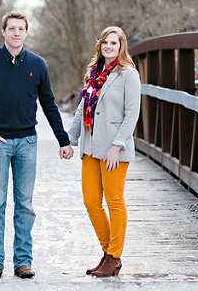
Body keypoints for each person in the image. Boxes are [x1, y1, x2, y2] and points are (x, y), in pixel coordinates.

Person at [0, 11, 74, 280]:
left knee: (25, 205)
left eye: (21, 29)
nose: (16, 33)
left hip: (27, 142)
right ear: (3, 31)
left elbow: (49, 104)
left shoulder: (37, 64)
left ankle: (23, 262)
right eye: (11, 28)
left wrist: (63, 140)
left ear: (26, 32)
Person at [68, 26, 141, 278]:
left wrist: (117, 146)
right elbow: (82, 109)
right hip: (90, 147)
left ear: (121, 47)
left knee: (114, 201)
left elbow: (132, 114)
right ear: (99, 45)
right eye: (105, 43)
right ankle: (109, 253)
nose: (109, 47)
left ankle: (113, 256)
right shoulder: (94, 72)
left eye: (114, 43)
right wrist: (70, 138)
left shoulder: (129, 74)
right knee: (91, 202)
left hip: (113, 149)